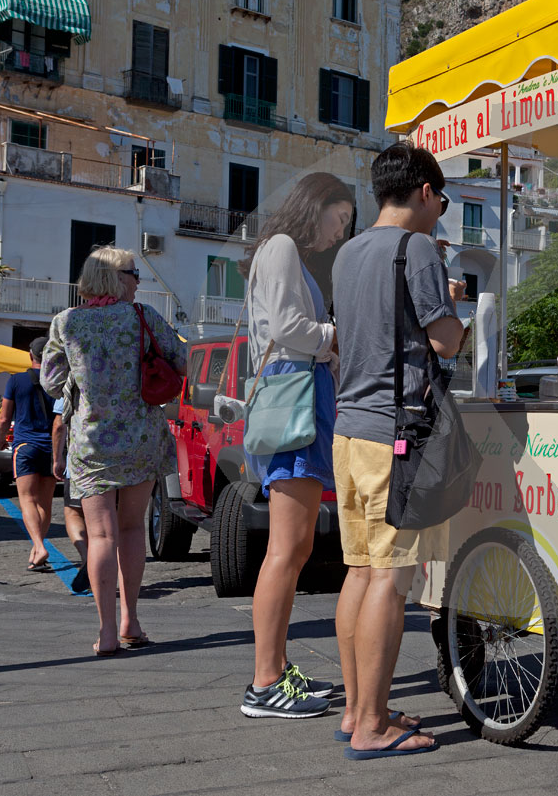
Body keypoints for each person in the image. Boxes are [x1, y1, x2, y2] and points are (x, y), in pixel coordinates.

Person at [331, 142, 458, 757]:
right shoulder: (419, 251)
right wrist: (456, 306)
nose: (442, 212)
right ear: (426, 193)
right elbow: (447, 341)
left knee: (359, 571)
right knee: (392, 576)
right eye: (443, 200)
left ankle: (358, 710)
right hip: (394, 434)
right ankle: (374, 726)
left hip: (348, 430)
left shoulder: (349, 253)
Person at [238, 173, 355, 719]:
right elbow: (288, 328)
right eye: (340, 218)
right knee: (287, 549)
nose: (340, 231)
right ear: (318, 205)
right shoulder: (282, 247)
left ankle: (277, 671)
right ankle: (265, 682)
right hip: (296, 405)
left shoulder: (281, 251)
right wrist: (339, 334)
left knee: (295, 547)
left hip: (299, 403)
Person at [41, 247, 187, 655]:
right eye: (133, 273)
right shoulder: (142, 317)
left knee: (101, 534)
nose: (138, 280)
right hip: (140, 435)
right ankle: (131, 621)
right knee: (130, 529)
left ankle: (106, 632)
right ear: (116, 278)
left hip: (90, 440)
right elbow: (181, 360)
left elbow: (51, 382)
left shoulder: (66, 322)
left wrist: (83, 384)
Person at [0, 337, 57, 573]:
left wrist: (1, 439)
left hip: (26, 446)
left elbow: (4, 418)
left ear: (30, 355)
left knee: (27, 500)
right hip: (52, 447)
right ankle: (36, 554)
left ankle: (39, 546)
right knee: (45, 502)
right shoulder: (58, 381)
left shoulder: (16, 380)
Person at [51, 396, 91, 594]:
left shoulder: (74, 373)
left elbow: (60, 424)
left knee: (73, 512)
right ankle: (119, 580)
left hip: (82, 460)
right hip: (124, 464)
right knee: (119, 523)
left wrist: (57, 458)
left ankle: (88, 560)